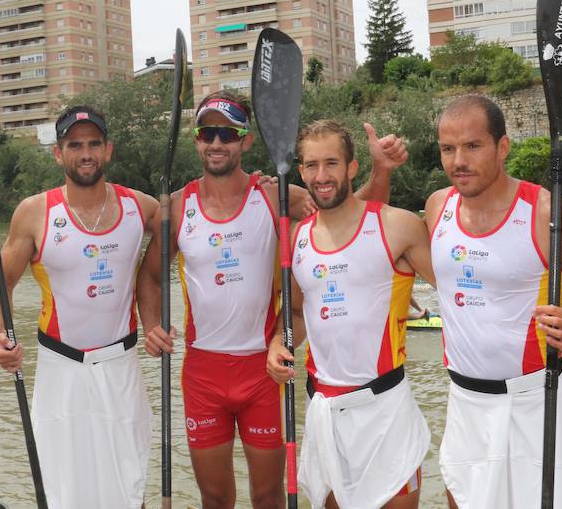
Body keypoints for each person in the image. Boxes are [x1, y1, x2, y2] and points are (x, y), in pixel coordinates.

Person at [137, 91, 406, 509]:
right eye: (208, 132)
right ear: (196, 140)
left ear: (245, 141)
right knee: (214, 496)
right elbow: (150, 275)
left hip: (264, 370)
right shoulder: (178, 205)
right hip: (203, 372)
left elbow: (352, 215)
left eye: (228, 133)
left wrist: (381, 169)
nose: (217, 142)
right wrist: (151, 325)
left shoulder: (276, 195)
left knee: (267, 496)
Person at [425, 95, 562, 508]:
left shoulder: (549, 214)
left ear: (503, 147)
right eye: (448, 149)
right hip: (463, 402)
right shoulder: (437, 207)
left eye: (473, 146)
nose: (458, 161)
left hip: (531, 401)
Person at [0, 105, 158, 509]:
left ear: (108, 150)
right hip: (60, 369)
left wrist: (271, 190)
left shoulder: (141, 207)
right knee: (63, 488)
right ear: (58, 153)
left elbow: (201, 210)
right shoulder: (34, 213)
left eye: (94, 144)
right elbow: (0, 283)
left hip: (121, 366)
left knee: (130, 482)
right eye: (74, 145)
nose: (86, 153)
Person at [266, 120, 435, 509]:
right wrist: (278, 342)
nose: (321, 176)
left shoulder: (398, 226)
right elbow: (294, 311)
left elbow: (458, 289)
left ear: (352, 167)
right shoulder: (297, 239)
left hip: (387, 413)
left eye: (331, 163)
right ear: (301, 170)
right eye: (311, 165)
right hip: (326, 415)